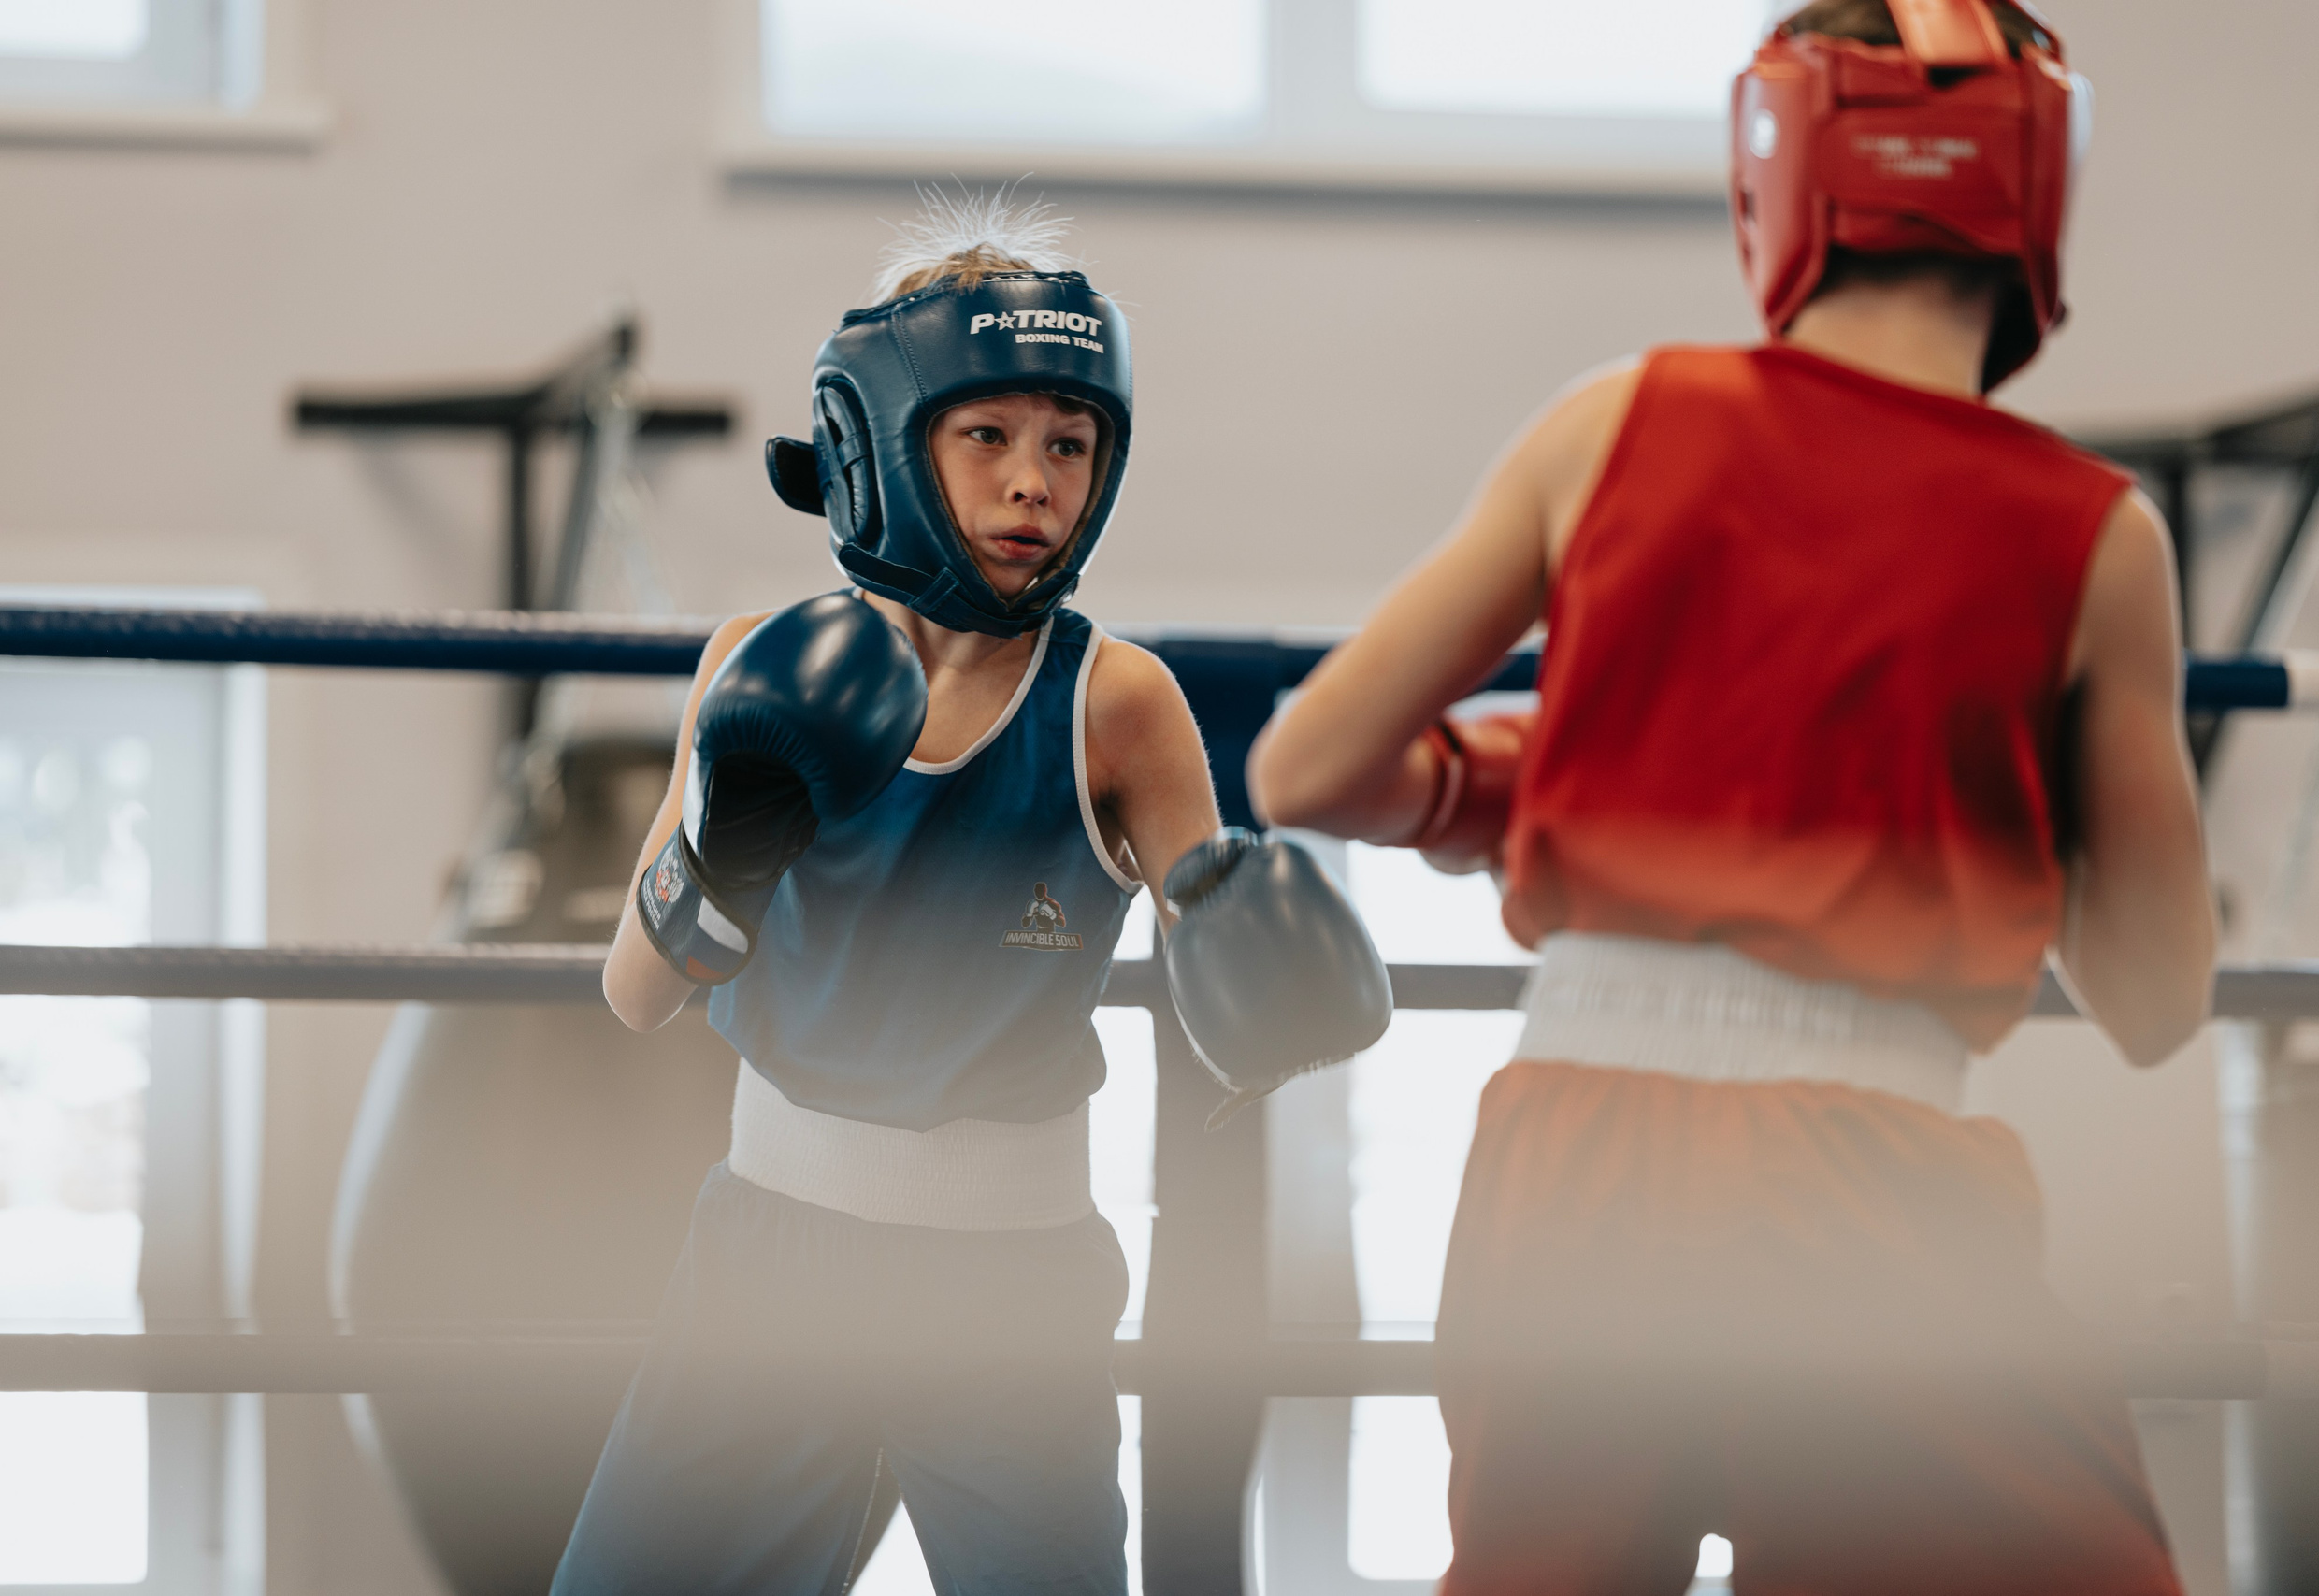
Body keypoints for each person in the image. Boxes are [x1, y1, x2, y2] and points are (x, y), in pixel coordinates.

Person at [1248, 2, 2215, 1591]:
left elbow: (1304, 766)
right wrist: (1988, 799)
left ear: (1781, 165)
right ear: (2037, 194)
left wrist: (1527, 782)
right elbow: (2162, 1001)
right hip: (1875, 1180)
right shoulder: (2096, 534)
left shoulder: (1617, 418)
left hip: (1568, 1155)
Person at [553, 195, 1386, 1596]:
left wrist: (1269, 972)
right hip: (771, 1259)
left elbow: (1234, 997)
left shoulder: (1117, 701)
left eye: (1069, 444)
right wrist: (723, 846)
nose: (1032, 484)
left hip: (1014, 1286)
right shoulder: (754, 663)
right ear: (888, 445)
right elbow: (633, 995)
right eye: (986, 435)